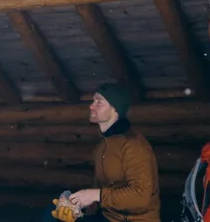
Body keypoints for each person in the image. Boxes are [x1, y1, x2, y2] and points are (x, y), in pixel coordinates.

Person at [63, 83, 159, 222]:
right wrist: (77, 208)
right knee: (52, 215)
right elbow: (99, 188)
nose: (91, 106)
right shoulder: (102, 146)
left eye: (99, 102)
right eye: (93, 101)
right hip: (109, 217)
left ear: (115, 109)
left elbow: (140, 196)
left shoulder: (133, 145)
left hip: (135, 220)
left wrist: (97, 195)